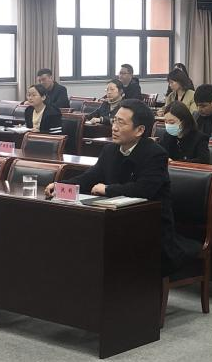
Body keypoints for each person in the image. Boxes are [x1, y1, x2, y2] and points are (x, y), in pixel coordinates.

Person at [47, 99, 192, 274]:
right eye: (114, 121)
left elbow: (144, 190)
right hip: (116, 222)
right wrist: (61, 186)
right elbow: (90, 177)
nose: (114, 127)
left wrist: (108, 189)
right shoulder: (110, 150)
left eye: (121, 123)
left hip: (149, 228)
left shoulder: (155, 154)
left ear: (139, 130)